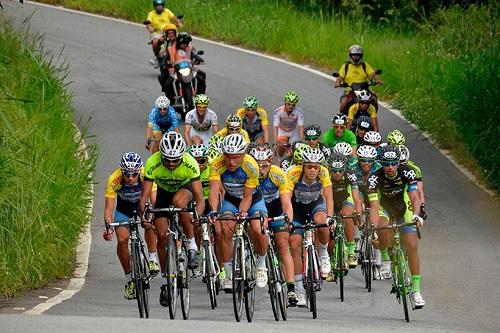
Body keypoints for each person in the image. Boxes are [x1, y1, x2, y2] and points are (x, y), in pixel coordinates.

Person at [139, 132, 205, 307]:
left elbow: (200, 198)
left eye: (175, 160)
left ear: (182, 156)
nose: (170, 164)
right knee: (161, 237)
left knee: (179, 203)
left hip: (184, 189)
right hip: (162, 194)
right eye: (167, 160)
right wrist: (145, 216)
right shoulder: (152, 162)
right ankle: (165, 281)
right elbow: (144, 197)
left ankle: (191, 245)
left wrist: (197, 215)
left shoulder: (190, 163)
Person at [366, 145, 425, 308]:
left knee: (412, 245)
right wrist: (373, 227)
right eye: (386, 164)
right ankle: (385, 259)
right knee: (382, 226)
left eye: (393, 163)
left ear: (398, 163)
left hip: (403, 207)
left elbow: (414, 197)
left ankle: (416, 290)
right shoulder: (374, 178)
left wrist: (416, 215)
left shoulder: (408, 172)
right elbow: (374, 205)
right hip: (384, 208)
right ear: (381, 164)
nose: (390, 167)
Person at [208, 134, 269, 290]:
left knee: (258, 228)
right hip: (231, 198)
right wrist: (214, 211)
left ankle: (261, 265)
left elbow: (248, 197)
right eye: (227, 157)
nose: (231, 162)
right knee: (225, 228)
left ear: (243, 155)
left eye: (235, 158)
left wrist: (243, 213)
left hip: (253, 199)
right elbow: (214, 191)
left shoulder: (251, 165)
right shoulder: (217, 164)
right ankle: (228, 273)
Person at [102, 152, 158, 300]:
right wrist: (109, 227)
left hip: (142, 205)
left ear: (139, 171)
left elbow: (154, 200)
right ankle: (129, 280)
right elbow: (109, 208)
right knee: (122, 240)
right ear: (122, 171)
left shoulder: (146, 174)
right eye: (127, 174)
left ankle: (152, 259)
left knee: (149, 224)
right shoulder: (114, 179)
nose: (131, 178)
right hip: (123, 209)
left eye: (134, 174)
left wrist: (152, 217)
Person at [249, 145, 297, 305]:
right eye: (258, 165)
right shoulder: (249, 174)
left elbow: (286, 203)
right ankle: (256, 253)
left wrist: (288, 220)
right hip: (256, 207)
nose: (261, 169)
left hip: (275, 207)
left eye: (265, 165)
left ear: (271, 162)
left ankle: (291, 288)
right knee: (253, 229)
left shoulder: (278, 174)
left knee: (283, 244)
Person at [286, 147, 333, 306]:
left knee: (322, 221)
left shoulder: (324, 173)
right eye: (309, 166)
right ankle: (299, 288)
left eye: (316, 166)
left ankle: (324, 254)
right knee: (294, 244)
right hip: (296, 208)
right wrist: (289, 220)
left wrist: (330, 217)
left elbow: (328, 196)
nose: (313, 170)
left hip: (315, 205)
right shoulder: (293, 173)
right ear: (303, 165)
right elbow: (286, 198)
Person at [351, 144, 383, 279]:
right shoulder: (353, 169)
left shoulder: (379, 169)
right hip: (360, 195)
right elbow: (353, 192)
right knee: (357, 208)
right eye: (363, 160)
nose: (366, 163)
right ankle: (358, 236)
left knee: (377, 233)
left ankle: (378, 264)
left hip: (376, 195)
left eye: (370, 160)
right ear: (359, 159)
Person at [327, 154, 363, 270]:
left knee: (347, 216)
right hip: (330, 200)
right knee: (329, 231)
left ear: (345, 169)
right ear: (330, 169)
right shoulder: (325, 174)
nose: (337, 173)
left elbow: (356, 198)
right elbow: (324, 198)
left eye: (340, 170)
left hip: (345, 199)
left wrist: (358, 215)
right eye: (335, 170)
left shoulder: (350, 174)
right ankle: (330, 260)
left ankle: (351, 253)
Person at [335, 44, 383, 114]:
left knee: (374, 99)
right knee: (344, 103)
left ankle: (373, 116)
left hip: (364, 91)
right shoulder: (346, 66)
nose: (356, 57)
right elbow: (340, 77)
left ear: (361, 56)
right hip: (349, 91)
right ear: (350, 55)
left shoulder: (364, 65)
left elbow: (372, 74)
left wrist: (378, 80)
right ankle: (344, 118)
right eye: (354, 55)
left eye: (358, 55)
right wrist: (338, 82)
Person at [161, 32, 206, 103]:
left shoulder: (189, 48)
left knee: (202, 77)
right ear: (179, 42)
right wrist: (164, 63)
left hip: (189, 69)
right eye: (184, 43)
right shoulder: (171, 49)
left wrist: (199, 59)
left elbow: (195, 55)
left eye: (187, 43)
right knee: (166, 82)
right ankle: (170, 99)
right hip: (175, 70)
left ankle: (201, 97)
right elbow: (165, 57)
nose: (185, 45)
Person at [145, 0, 182, 67]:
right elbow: (148, 22)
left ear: (163, 6)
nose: (159, 7)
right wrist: (150, 27)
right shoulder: (151, 14)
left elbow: (174, 18)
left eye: (160, 6)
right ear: (154, 7)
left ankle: (189, 55)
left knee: (183, 38)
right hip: (157, 33)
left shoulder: (167, 11)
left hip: (169, 31)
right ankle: (158, 58)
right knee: (155, 42)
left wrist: (178, 22)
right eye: (157, 6)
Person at [397, 145, 427, 220]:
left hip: (408, 195)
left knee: (414, 220)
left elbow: (419, 191)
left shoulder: (414, 169)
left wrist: (422, 206)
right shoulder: (387, 168)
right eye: (398, 162)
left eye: (403, 162)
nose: (401, 165)